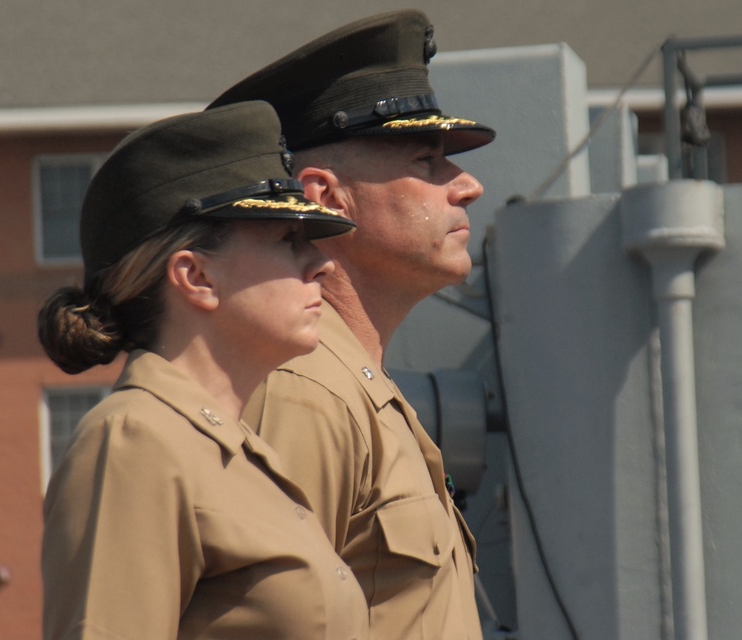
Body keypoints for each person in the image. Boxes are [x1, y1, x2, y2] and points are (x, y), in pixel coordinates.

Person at [206, 10, 495, 640]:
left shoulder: (358, 388)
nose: (467, 185)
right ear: (325, 198)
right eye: (426, 161)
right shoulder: (302, 392)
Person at [37, 101, 369, 640]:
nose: (322, 263)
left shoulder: (237, 451)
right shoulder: (133, 441)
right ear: (195, 276)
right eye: (288, 240)